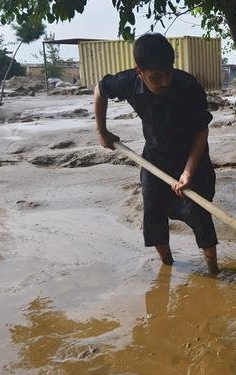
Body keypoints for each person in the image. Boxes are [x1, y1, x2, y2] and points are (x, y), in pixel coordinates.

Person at [93, 33, 219, 274]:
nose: (164, 82)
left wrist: (188, 172)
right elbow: (99, 90)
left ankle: (214, 269)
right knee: (153, 215)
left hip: (192, 159)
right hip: (154, 160)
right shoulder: (128, 82)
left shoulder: (187, 86)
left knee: (200, 215)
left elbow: (201, 131)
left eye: (168, 73)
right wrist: (102, 131)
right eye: (155, 77)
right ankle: (167, 268)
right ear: (139, 71)